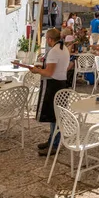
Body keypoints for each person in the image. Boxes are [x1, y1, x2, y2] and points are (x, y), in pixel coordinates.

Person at [26, 28, 69, 156]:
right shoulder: (63, 48)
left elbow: (49, 73)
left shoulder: (54, 51)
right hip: (61, 83)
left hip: (54, 85)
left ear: (50, 39)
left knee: (54, 116)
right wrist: (42, 68)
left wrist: (37, 70)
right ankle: (51, 141)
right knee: (55, 115)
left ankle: (54, 144)